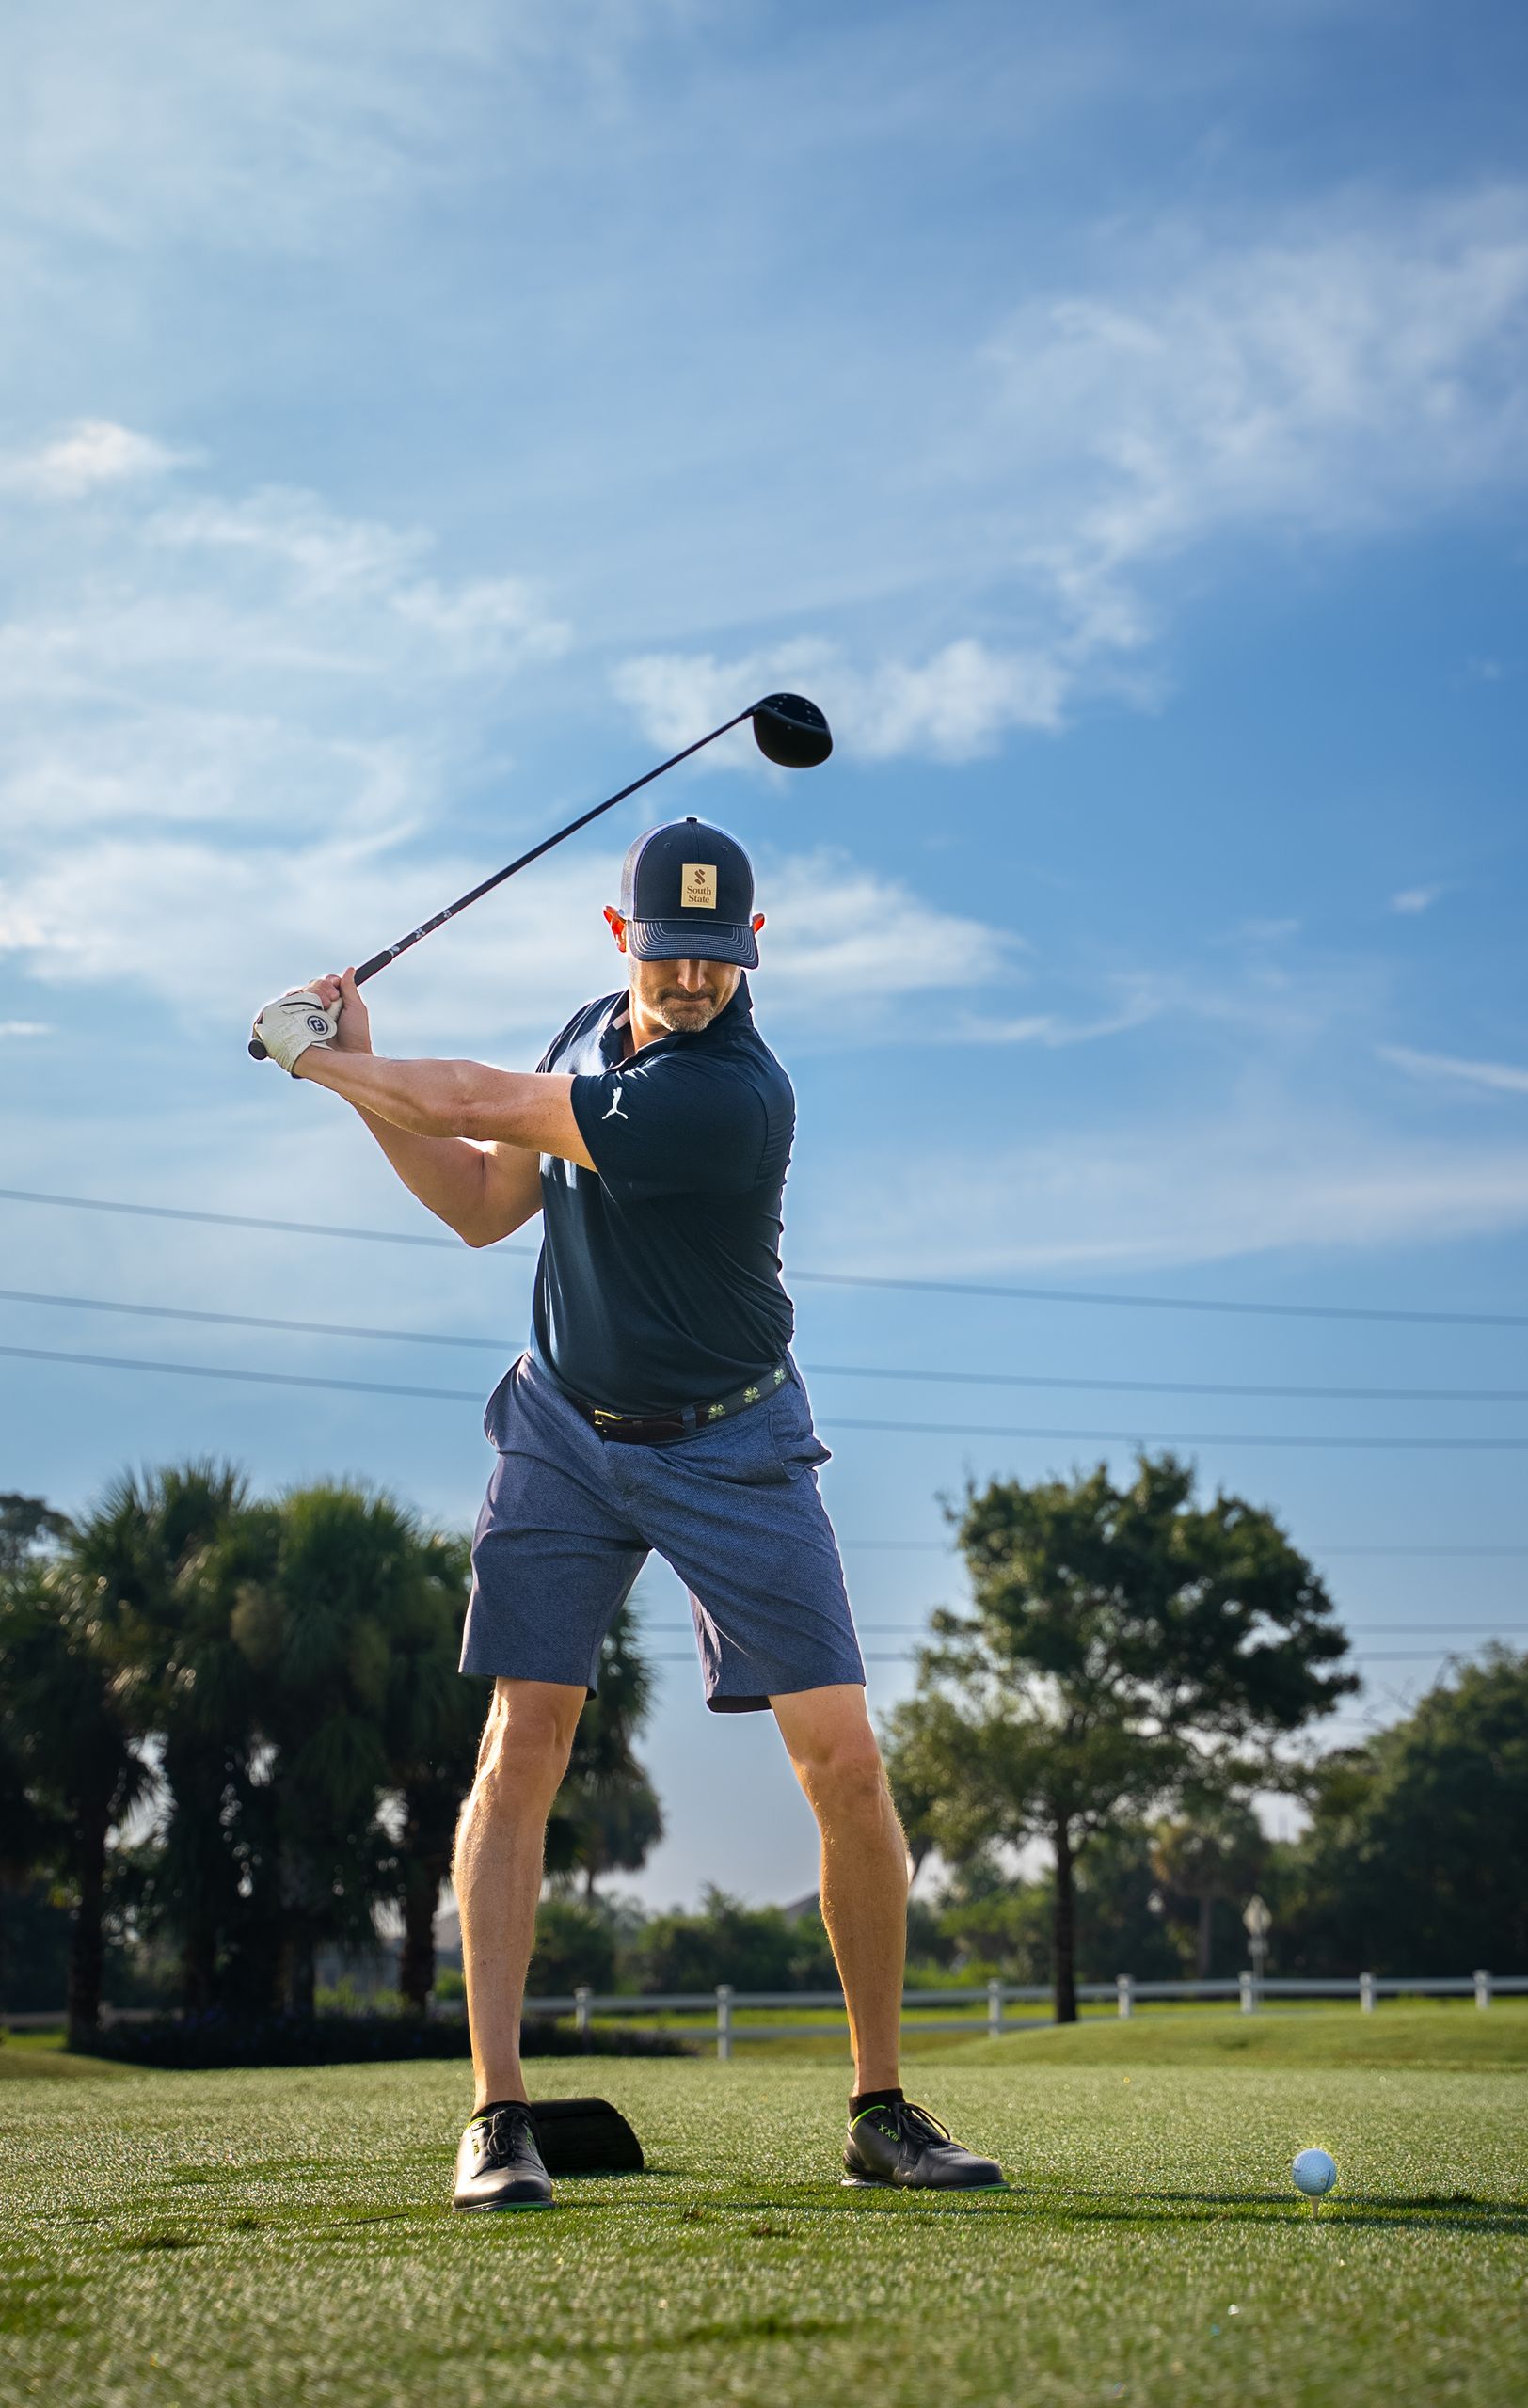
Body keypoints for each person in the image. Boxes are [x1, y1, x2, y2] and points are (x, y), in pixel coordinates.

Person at [250, 816, 1005, 2209]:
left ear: (753, 951)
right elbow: (485, 1205)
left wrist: (332, 1056)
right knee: (521, 1740)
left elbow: (486, 1101)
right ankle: (496, 2118)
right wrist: (359, 1082)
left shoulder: (733, 1100)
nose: (695, 981)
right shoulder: (592, 1023)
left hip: (733, 1441)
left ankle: (881, 2110)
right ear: (622, 939)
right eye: (671, 954)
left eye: (720, 958)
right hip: (562, 1426)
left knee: (842, 1760)